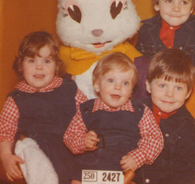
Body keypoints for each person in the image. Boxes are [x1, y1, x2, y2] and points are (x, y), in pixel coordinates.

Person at [0, 31, 87, 184]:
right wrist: (6, 157)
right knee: (29, 152)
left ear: (56, 66)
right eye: (31, 61)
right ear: (21, 65)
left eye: (46, 61)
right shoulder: (17, 98)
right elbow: (5, 132)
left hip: (70, 148)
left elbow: (87, 115)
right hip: (39, 153)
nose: (39, 67)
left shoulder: (70, 89)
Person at [63, 52, 164, 184]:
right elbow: (69, 136)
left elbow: (155, 138)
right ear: (97, 85)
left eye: (125, 83)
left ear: (132, 90)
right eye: (111, 80)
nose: (118, 87)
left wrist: (138, 157)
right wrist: (83, 141)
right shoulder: (87, 110)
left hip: (123, 171)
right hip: (89, 171)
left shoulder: (140, 111)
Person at [136, 48, 195, 184]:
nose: (170, 94)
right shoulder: (132, 110)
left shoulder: (188, 128)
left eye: (178, 88)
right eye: (162, 85)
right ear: (148, 86)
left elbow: (187, 174)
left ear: (188, 93)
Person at [135, 0, 195, 64]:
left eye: (184, 2)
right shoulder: (146, 30)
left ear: (191, 8)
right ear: (157, 4)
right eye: (169, 1)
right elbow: (140, 64)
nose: (176, 8)